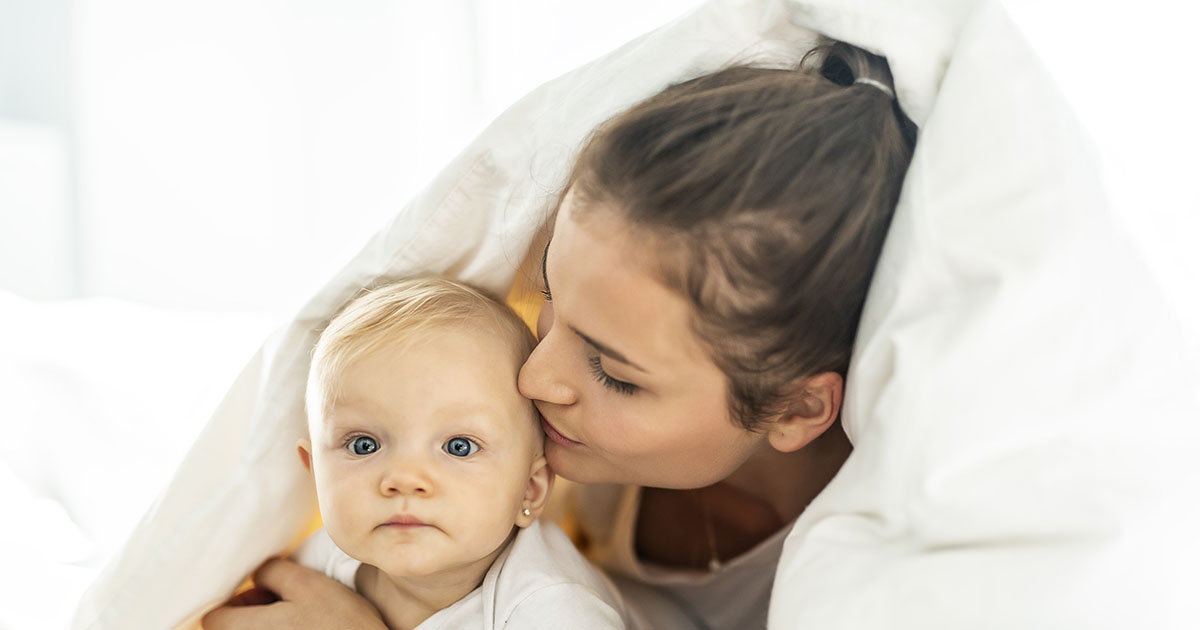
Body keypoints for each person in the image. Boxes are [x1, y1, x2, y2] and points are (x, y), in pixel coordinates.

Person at [203, 39, 915, 630]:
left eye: (613, 373)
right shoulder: (539, 438)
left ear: (795, 407)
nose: (535, 376)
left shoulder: (871, 570)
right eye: (548, 295)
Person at [203, 277, 627, 629]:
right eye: (364, 445)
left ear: (529, 490)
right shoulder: (326, 561)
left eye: (459, 447)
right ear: (315, 472)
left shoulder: (551, 611)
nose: (404, 479)